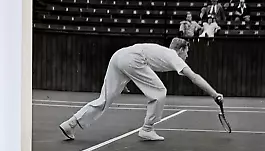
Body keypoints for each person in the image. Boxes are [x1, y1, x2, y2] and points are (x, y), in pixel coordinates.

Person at [59, 38, 223, 141]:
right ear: (180, 50)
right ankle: (147, 129)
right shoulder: (174, 56)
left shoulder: (161, 51)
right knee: (159, 92)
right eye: (187, 52)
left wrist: (125, 80)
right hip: (131, 60)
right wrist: (214, 94)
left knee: (104, 99)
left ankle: (70, 124)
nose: (187, 56)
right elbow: (194, 77)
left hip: (119, 56)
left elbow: (136, 59)